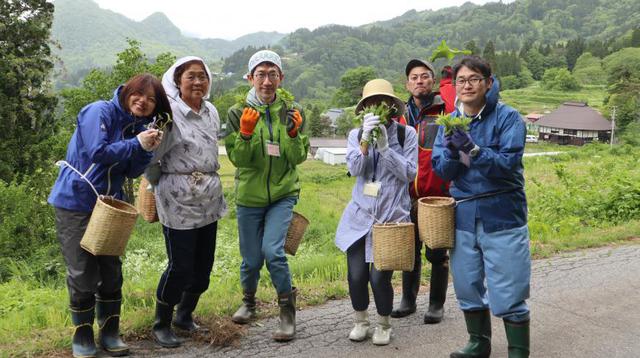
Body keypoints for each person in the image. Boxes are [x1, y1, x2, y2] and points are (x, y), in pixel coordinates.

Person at [48, 74, 169, 357]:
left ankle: (111, 331)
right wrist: (137, 143)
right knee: (82, 271)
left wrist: (146, 149)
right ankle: (83, 335)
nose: (144, 102)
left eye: (151, 100)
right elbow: (97, 151)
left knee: (111, 271)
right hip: (75, 201)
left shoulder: (138, 126)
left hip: (111, 206)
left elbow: (130, 170)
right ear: (127, 91)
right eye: (139, 94)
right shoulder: (99, 111)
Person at [431, 55, 530, 358]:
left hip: (501, 213)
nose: (467, 85)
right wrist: (450, 151)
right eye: (461, 80)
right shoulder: (449, 121)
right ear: (454, 85)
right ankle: (478, 342)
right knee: (467, 283)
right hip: (463, 214)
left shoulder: (507, 117)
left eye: (474, 79)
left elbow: (508, 165)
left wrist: (473, 149)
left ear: (488, 83)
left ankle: (518, 350)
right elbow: (442, 170)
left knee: (509, 287)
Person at [225, 50, 309, 342]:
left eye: (272, 74)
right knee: (250, 259)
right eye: (260, 74)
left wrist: (295, 133)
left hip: (283, 194)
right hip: (249, 196)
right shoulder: (237, 112)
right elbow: (239, 159)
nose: (266, 80)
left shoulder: (291, 109)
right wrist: (245, 135)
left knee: (273, 252)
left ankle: (287, 312)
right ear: (250, 78)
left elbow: (297, 158)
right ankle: (249, 303)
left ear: (281, 77)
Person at [147, 56, 227, 348]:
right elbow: (151, 158)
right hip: (177, 199)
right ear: (177, 81)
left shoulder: (211, 111)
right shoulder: (168, 114)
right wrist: (158, 187)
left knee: (203, 267)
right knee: (180, 266)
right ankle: (161, 322)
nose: (197, 82)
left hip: (208, 198)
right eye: (191, 77)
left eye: (202, 76)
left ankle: (184, 315)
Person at [335, 79, 417, 346]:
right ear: (364, 108)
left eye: (383, 101)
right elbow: (355, 170)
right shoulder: (355, 134)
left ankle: (383, 323)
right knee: (356, 275)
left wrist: (386, 149)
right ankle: (361, 320)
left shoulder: (407, 135)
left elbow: (409, 173)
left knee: (379, 277)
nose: (377, 106)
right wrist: (364, 142)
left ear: (392, 106)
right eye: (371, 102)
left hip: (391, 219)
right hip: (360, 216)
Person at [390, 59, 454, 324]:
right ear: (407, 84)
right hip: (406, 195)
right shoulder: (399, 116)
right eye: (414, 77)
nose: (419, 81)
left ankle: (436, 304)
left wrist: (450, 80)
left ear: (433, 81)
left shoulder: (444, 110)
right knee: (410, 249)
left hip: (435, 194)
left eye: (425, 76)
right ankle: (408, 300)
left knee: (437, 251)